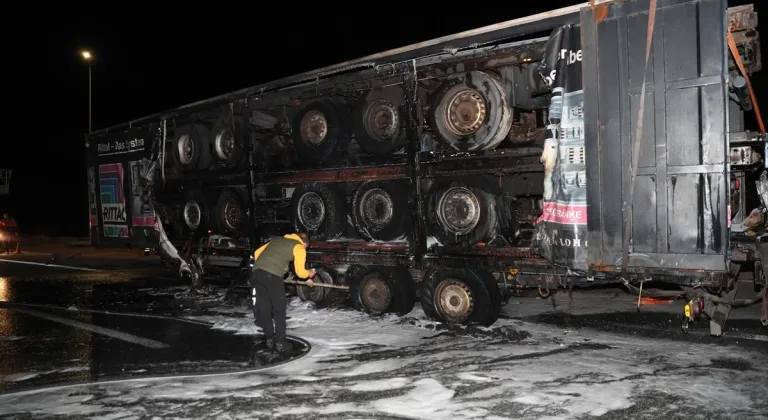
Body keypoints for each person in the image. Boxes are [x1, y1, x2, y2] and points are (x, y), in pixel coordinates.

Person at [250, 232, 316, 353]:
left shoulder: (277, 240)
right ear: (305, 243)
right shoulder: (299, 247)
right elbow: (300, 272)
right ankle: (280, 342)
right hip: (272, 275)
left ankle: (269, 338)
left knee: (264, 307)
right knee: (279, 309)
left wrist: (277, 265)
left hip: (256, 273)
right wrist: (309, 274)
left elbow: (256, 253)